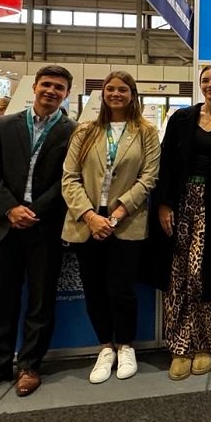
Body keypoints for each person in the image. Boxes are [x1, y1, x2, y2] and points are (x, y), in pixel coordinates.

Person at [0, 65, 76, 401]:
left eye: (59, 87)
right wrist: (11, 208)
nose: (51, 91)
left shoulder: (73, 132)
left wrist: (34, 211)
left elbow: (68, 179)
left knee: (41, 301)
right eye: (46, 84)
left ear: (66, 94)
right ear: (35, 87)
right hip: (2, 225)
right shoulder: (3, 125)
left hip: (44, 227)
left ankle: (30, 367)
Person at [61, 71, 160, 384]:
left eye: (122, 89)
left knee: (122, 289)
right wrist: (90, 216)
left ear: (132, 95)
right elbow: (69, 177)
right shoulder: (85, 131)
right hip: (87, 222)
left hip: (126, 221)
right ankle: (105, 347)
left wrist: (117, 214)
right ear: (103, 94)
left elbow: (149, 177)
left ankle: (126, 345)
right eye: (110, 89)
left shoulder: (146, 132)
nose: (116, 94)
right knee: (94, 288)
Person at [150, 66, 211, 380]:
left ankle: (203, 343)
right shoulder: (182, 119)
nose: (210, 85)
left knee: (202, 275)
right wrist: (163, 203)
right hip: (180, 201)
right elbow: (166, 163)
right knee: (177, 274)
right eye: (206, 80)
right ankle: (178, 346)